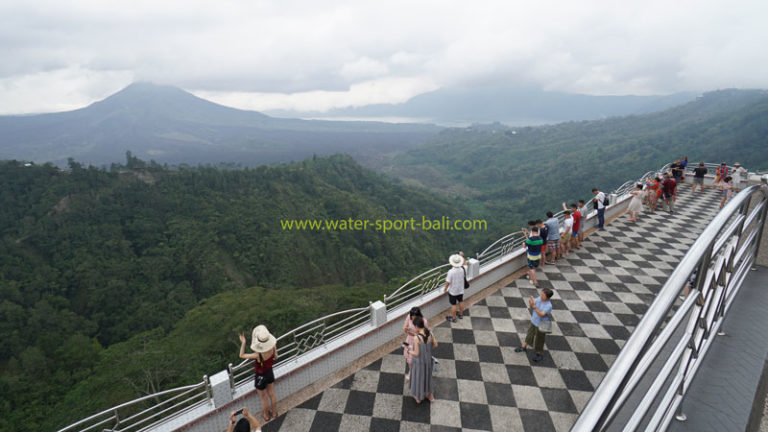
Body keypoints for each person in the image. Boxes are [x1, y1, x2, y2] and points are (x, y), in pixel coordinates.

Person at [239, 326, 279, 421]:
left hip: (260, 376)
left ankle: (266, 415)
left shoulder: (258, 355)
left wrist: (243, 343)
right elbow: (276, 357)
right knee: (272, 394)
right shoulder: (272, 347)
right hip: (269, 372)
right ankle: (274, 413)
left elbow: (241, 355)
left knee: (264, 397)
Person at [515, 288, 554, 362]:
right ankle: (524, 347)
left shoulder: (549, 305)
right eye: (541, 293)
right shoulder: (539, 298)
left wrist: (534, 306)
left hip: (542, 324)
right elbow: (532, 305)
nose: (541, 295)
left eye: (543, 295)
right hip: (534, 321)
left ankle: (539, 353)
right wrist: (531, 303)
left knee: (540, 339)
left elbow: (541, 314)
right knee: (530, 334)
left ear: (547, 297)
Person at [408, 316, 437, 403]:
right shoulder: (430, 333)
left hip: (419, 362)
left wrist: (409, 351)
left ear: (416, 326)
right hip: (427, 361)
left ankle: (418, 397)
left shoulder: (417, 338)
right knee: (427, 377)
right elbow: (435, 345)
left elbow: (416, 353)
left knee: (418, 378)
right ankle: (430, 395)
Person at [403, 307, 429, 381]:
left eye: (414, 316)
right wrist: (406, 329)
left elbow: (425, 334)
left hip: (418, 341)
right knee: (409, 359)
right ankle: (411, 371)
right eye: (412, 316)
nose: (412, 318)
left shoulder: (424, 321)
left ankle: (418, 372)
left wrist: (415, 335)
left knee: (417, 357)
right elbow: (404, 326)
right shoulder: (409, 317)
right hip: (410, 339)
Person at [444, 254, 466, 323]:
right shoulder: (462, 269)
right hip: (460, 289)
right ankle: (461, 314)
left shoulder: (451, 272)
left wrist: (445, 289)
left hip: (453, 291)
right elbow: (465, 263)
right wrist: (462, 256)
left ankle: (454, 318)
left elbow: (448, 282)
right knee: (460, 301)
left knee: (453, 304)